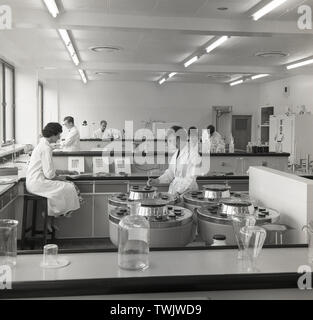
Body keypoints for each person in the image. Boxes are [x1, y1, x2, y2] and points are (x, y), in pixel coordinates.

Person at [26, 123, 82, 229]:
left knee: (58, 192)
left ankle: (50, 218)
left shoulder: (42, 145)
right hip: (37, 183)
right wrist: (62, 178)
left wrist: (67, 171)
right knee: (70, 186)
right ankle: (54, 214)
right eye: (58, 135)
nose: (59, 138)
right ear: (52, 135)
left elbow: (49, 171)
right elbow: (50, 174)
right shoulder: (46, 148)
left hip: (34, 182)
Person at [147, 126, 202, 197]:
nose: (170, 143)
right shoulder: (176, 153)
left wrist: (179, 192)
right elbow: (170, 173)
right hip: (175, 192)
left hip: (186, 193)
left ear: (178, 138)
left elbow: (190, 179)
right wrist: (157, 180)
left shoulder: (193, 154)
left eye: (171, 140)